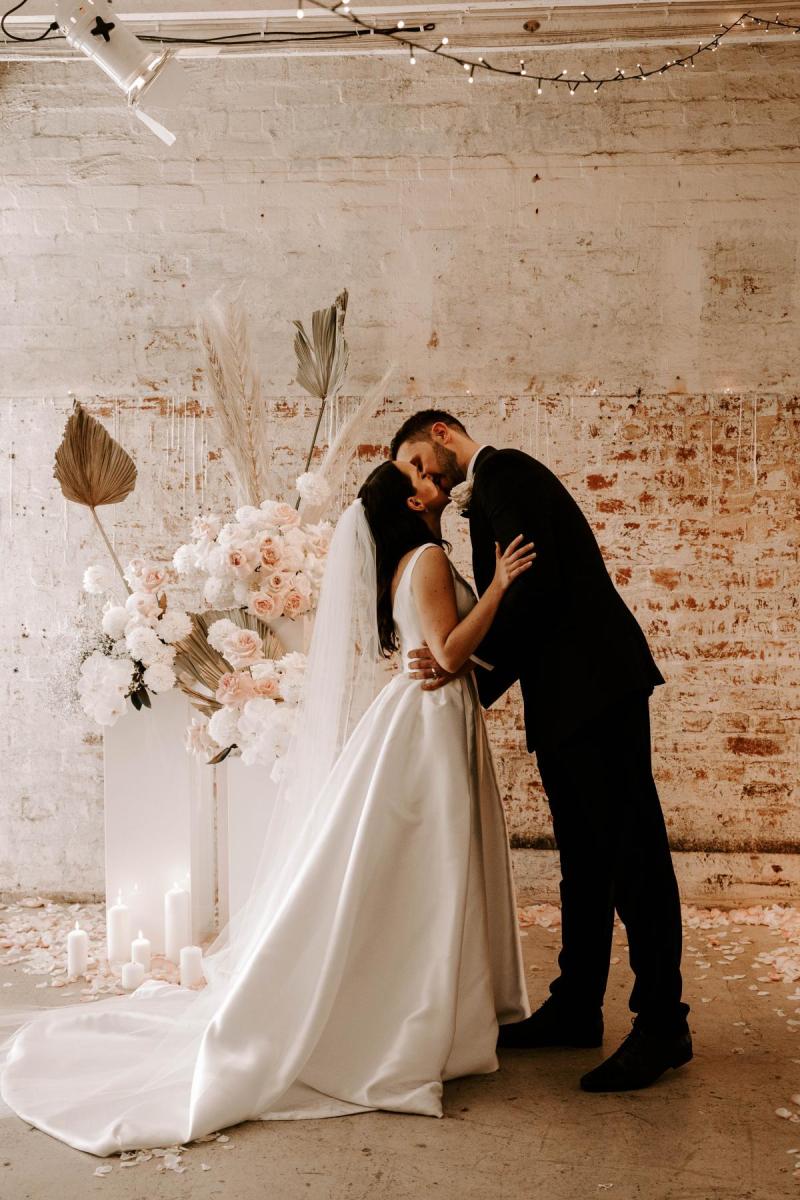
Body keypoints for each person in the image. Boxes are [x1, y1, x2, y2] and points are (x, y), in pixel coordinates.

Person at [0, 461, 534, 1157]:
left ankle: (425, 1012)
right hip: (426, 726)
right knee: (426, 870)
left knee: (416, 874)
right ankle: (414, 1020)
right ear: (412, 501)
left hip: (427, 715)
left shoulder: (416, 559)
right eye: (420, 473)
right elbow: (448, 650)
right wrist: (498, 586)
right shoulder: (428, 556)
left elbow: (442, 651)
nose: (433, 474)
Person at [392, 410, 692, 1093]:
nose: (423, 478)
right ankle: (576, 1008)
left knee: (631, 855)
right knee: (584, 859)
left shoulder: (509, 474)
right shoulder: (485, 496)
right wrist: (461, 657)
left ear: (441, 431)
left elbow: (536, 588)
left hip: (597, 687)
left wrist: (463, 664)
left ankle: (662, 1025)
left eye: (417, 460)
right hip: (564, 697)